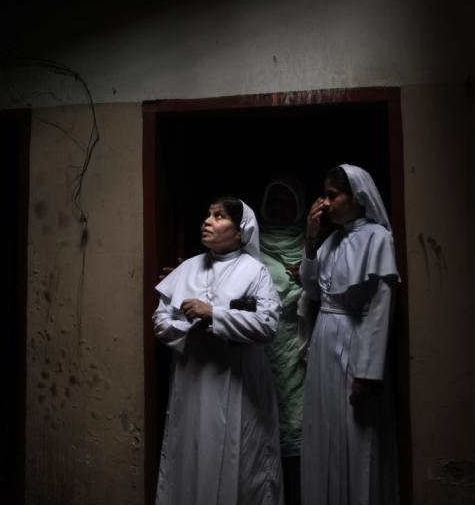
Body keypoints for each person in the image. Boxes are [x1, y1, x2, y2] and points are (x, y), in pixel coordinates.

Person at [153, 197, 284, 505]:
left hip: (238, 382)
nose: (207, 221)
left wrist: (215, 315)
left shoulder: (255, 272)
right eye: (208, 214)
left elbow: (268, 325)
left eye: (219, 216)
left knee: (239, 456)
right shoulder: (188, 267)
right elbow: (160, 321)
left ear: (240, 232)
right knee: (192, 453)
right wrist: (189, 326)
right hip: (193, 381)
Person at [299, 165, 399, 504]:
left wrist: (367, 371)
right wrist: (311, 240)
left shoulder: (378, 238)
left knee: (356, 433)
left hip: (354, 339)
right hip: (325, 338)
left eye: (332, 195)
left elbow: (380, 306)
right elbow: (313, 291)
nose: (324, 203)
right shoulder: (332, 240)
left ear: (356, 197)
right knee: (325, 427)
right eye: (324, 195)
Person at [257, 178, 311, 504]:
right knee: (262, 426)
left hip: (300, 348)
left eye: (286, 201)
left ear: (299, 208)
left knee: (297, 427)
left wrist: (306, 278)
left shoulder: (313, 247)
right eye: (272, 201)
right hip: (261, 348)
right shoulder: (251, 246)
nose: (278, 208)